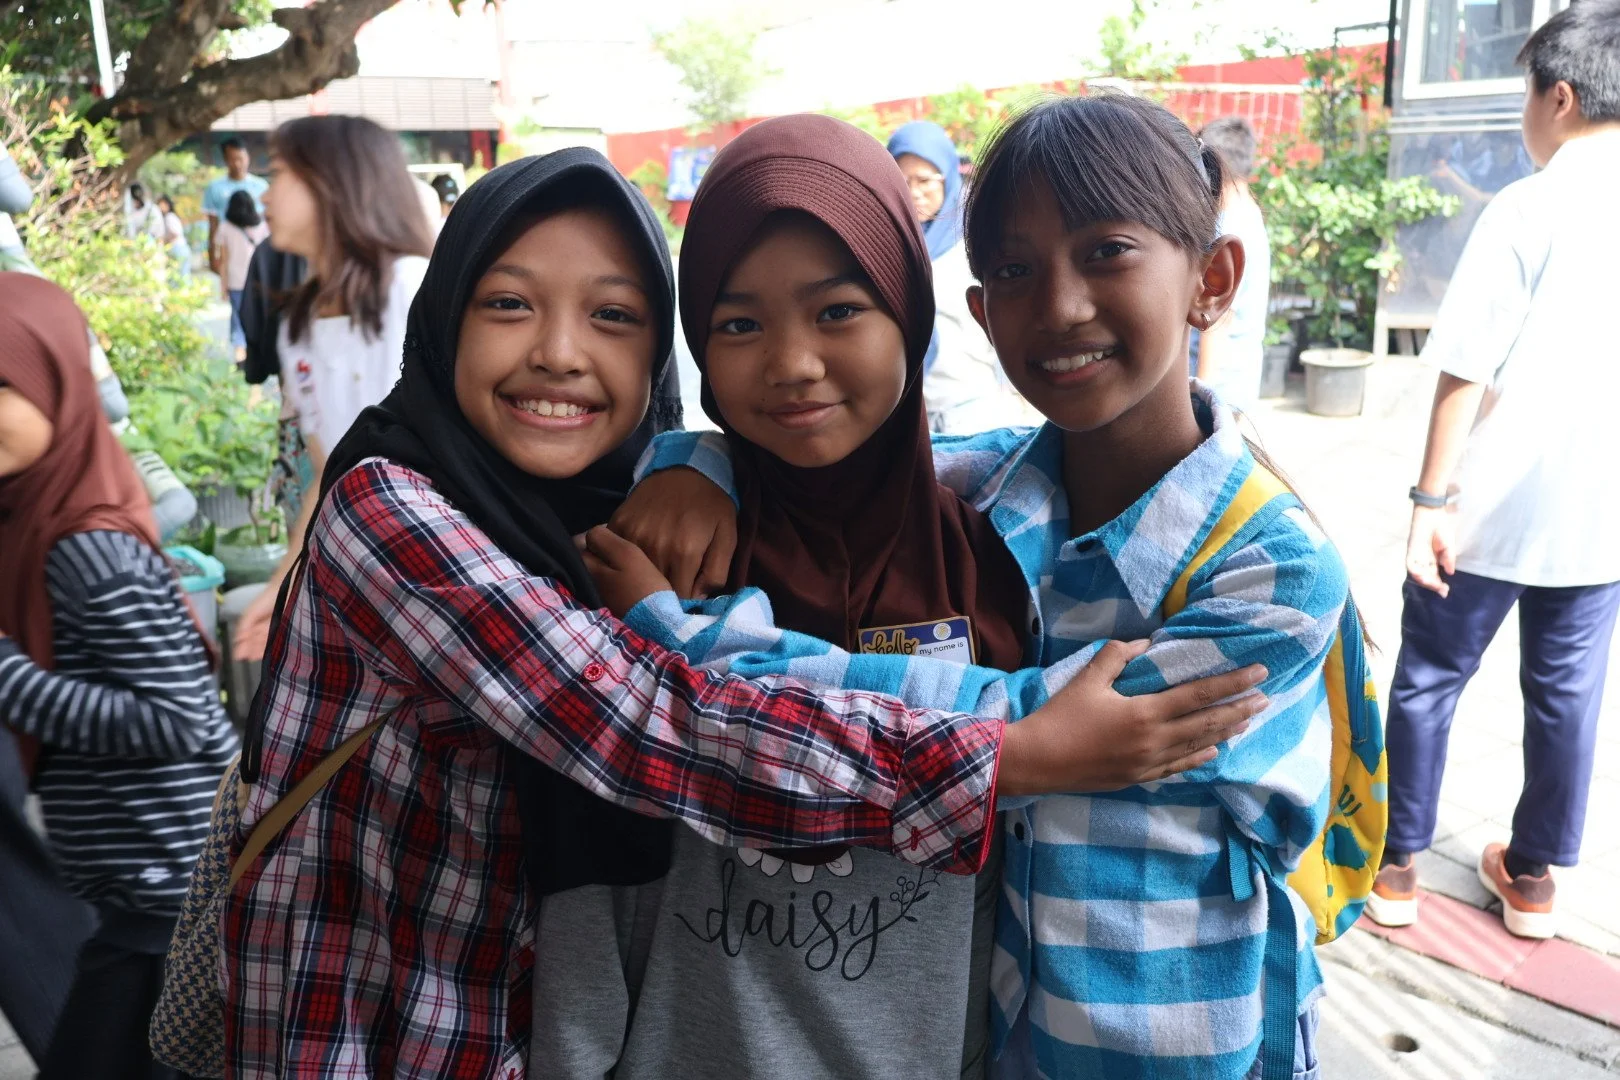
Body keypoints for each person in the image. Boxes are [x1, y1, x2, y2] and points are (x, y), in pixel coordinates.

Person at [221, 147, 1264, 1078]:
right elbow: (645, 724)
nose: (558, 353)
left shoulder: (977, 532)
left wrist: (696, 457)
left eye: (614, 316)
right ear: (445, 316)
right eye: (507, 304)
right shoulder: (405, 509)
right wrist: (1019, 754)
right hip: (371, 1028)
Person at [617, 93, 1349, 1080]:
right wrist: (691, 463)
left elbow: (1035, 729)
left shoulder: (1274, 568)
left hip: (1183, 1045)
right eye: (1013, 269)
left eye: (1107, 251)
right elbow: (827, 459)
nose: (1061, 304)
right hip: (998, 1040)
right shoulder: (993, 491)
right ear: (976, 314)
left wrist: (685, 640)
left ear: (1210, 279)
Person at [531, 115, 1143, 1080]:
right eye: (738, 324)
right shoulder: (665, 555)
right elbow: (590, 848)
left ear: (911, 309)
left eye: (839, 311)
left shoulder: (1003, 550)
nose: (791, 364)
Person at [1367, 0, 1620, 941]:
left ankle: (1396, 868)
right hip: (1602, 518)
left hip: (1491, 507)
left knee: (1431, 676)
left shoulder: (1531, 204)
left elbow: (1463, 365)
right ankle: (1534, 879)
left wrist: (1430, 498)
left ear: (1559, 96)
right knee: (1568, 696)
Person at [0, 273, 238, 1079]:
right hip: (146, 897)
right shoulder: (35, 518)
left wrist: (5, 675)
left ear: (58, 387)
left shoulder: (88, 552)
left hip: (168, 897)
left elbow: (176, 717)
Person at [231, 115, 433, 661]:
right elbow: (330, 470)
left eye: (278, 175)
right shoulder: (298, 323)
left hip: (436, 574)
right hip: (367, 574)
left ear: (331, 181)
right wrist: (281, 585)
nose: (264, 193)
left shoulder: (413, 288)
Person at [887, 121, 1036, 434]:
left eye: (925, 180)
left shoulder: (975, 242)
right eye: (901, 180)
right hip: (912, 421)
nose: (913, 192)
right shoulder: (885, 245)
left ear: (948, 176)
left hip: (976, 411)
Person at [1193, 117, 1272, 413]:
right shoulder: (1250, 212)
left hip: (1217, 388)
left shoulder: (1227, 224)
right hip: (1241, 381)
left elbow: (1218, 320)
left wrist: (1199, 393)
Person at [203, 137, 269, 280]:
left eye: (241, 158)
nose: (238, 164)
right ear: (225, 160)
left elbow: (268, 221)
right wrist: (212, 255)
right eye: (233, 159)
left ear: (248, 157)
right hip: (229, 248)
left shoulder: (261, 186)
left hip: (256, 247)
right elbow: (213, 225)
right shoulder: (215, 188)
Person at [218, 190, 270, 353]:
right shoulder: (262, 226)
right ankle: (258, 356)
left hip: (235, 281)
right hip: (258, 280)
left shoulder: (225, 227)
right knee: (258, 319)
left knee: (238, 322)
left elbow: (224, 261)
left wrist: (223, 286)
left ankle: (240, 358)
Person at [155, 194, 191, 276]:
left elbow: (175, 233)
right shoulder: (172, 216)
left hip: (177, 248)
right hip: (182, 248)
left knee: (178, 277)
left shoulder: (169, 217)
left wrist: (164, 240)